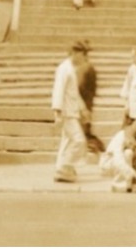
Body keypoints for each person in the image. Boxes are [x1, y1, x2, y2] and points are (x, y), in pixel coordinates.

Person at [52, 41, 90, 183]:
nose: (84, 58)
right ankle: (64, 167)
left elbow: (74, 93)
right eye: (82, 54)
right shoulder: (64, 69)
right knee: (79, 141)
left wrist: (83, 109)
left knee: (67, 142)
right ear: (75, 53)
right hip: (66, 113)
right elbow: (59, 90)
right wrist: (57, 112)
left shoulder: (70, 69)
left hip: (72, 112)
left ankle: (60, 169)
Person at [100, 120, 136, 193]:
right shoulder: (120, 138)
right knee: (128, 153)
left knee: (131, 154)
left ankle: (130, 184)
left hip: (125, 164)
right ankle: (119, 185)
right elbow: (119, 162)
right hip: (108, 164)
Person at [75, 43, 104, 154]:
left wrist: (85, 107)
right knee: (83, 131)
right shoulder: (83, 68)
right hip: (84, 104)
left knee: (83, 132)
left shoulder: (86, 68)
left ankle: (98, 149)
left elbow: (81, 88)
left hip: (83, 105)